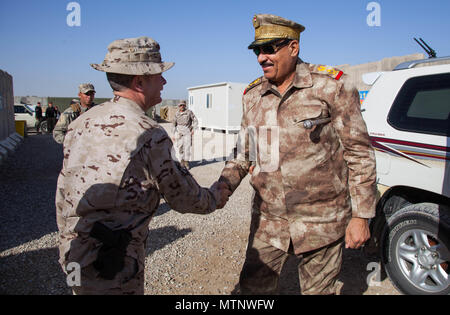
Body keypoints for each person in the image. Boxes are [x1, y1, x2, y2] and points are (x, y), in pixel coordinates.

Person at [55, 36, 231, 295]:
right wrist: (220, 191)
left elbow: (63, 191)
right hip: (113, 265)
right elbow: (185, 198)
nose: (164, 81)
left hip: (76, 255)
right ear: (139, 81)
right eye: (159, 74)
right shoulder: (148, 133)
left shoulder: (82, 123)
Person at [216, 14, 377, 295]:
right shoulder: (252, 96)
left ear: (293, 47)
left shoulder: (331, 86)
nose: (261, 58)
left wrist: (361, 216)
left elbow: (359, 152)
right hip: (269, 221)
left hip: (322, 220)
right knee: (252, 290)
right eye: (257, 50)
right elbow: (243, 153)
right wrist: (221, 188)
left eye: (270, 49)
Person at [171, 101, 198, 169]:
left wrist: (193, 129)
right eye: (180, 105)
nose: (182, 106)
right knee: (180, 147)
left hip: (187, 132)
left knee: (187, 147)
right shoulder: (176, 114)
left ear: (185, 105)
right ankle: (181, 161)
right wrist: (173, 134)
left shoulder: (189, 112)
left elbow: (195, 120)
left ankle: (186, 162)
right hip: (179, 132)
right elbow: (173, 124)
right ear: (178, 106)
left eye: (183, 105)